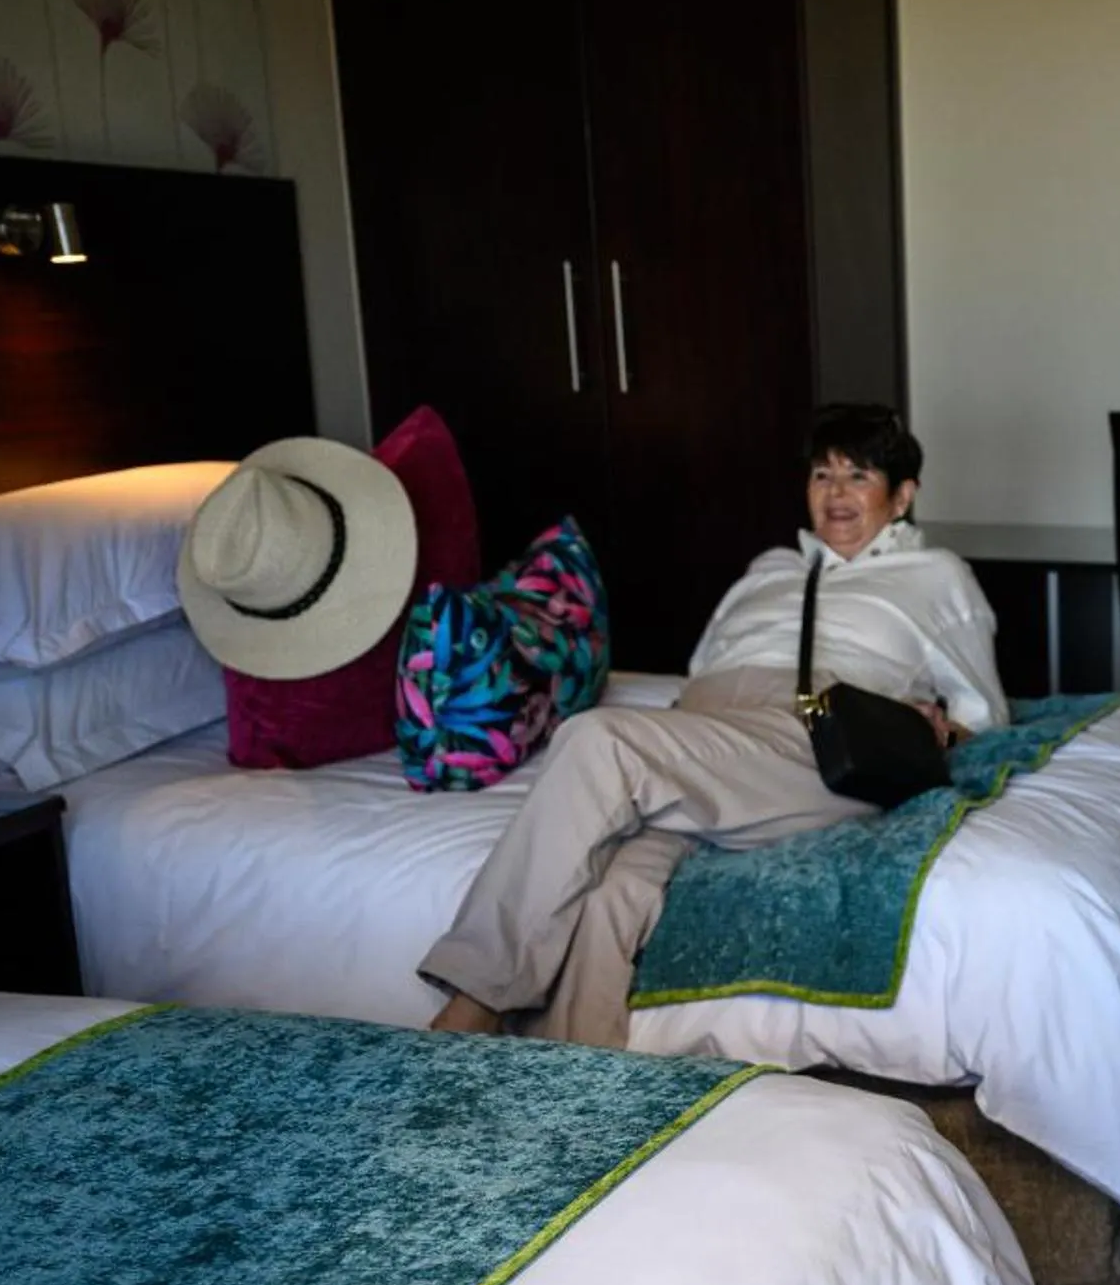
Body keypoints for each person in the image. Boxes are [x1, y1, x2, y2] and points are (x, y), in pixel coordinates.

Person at [421, 404, 1007, 1036]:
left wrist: (939, 725)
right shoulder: (769, 569)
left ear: (901, 497)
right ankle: (570, 1089)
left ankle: (473, 999)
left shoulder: (934, 575)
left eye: (858, 476)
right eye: (821, 476)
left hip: (814, 738)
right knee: (612, 889)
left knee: (597, 739)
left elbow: (983, 710)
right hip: (708, 740)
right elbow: (703, 668)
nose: (836, 494)